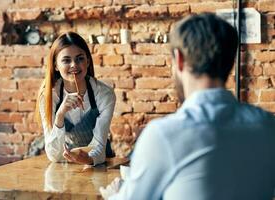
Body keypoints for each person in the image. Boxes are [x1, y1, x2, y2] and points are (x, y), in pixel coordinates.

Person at [100, 13, 275, 200]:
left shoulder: (164, 135)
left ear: (179, 59)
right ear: (230, 61)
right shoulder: (268, 126)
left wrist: (116, 195)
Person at [36, 32, 116, 165]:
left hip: (97, 165)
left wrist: (88, 159)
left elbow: (99, 147)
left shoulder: (104, 94)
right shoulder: (48, 97)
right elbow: (54, 155)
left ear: (88, 61)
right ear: (55, 65)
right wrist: (60, 115)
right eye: (66, 60)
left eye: (80, 58)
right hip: (66, 167)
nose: (74, 65)